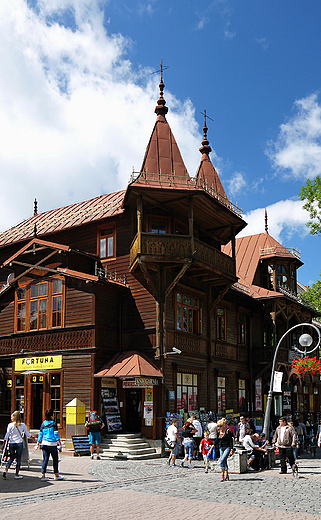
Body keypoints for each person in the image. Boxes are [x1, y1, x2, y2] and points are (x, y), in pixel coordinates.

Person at [2, 410, 35, 479]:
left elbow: (6, 435)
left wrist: (4, 444)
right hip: (19, 443)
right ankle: (16, 474)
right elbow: (27, 434)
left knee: (11, 458)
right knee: (18, 459)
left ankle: (6, 470)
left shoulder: (10, 425)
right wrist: (32, 437)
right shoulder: (23, 425)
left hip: (12, 442)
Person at [37, 409, 63, 481]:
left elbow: (40, 434)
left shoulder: (43, 424)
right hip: (52, 444)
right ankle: (56, 475)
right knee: (55, 460)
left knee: (45, 459)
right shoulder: (54, 424)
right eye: (53, 415)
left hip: (44, 444)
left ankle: (43, 475)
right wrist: (59, 443)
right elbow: (56, 434)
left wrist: (38, 442)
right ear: (51, 416)